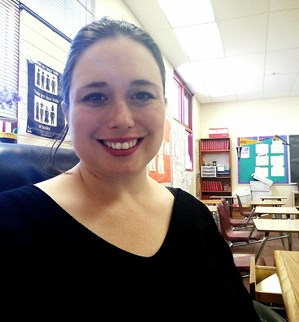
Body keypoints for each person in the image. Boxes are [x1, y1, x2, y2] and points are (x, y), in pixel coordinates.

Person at [0, 17, 261, 320]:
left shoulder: (195, 216)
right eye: (96, 96)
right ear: (66, 112)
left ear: (163, 107)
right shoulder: (10, 223)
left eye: (141, 95)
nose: (122, 119)